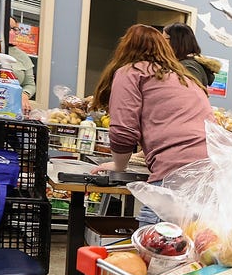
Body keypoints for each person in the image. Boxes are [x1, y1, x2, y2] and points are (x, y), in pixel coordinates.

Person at [89, 24, 214, 224]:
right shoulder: (185, 77)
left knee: (154, 240)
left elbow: (123, 131)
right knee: (193, 241)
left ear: (125, 48)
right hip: (212, 176)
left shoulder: (131, 72)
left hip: (175, 175)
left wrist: (119, 166)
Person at [163, 22, 221, 91]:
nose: (161, 43)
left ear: (176, 41)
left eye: (164, 39)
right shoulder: (182, 64)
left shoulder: (188, 67)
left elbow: (190, 95)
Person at [7, 17, 37, 113]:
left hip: (12, 108)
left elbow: (30, 84)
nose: (12, 32)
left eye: (15, 29)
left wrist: (24, 95)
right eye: (9, 28)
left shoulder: (22, 57)